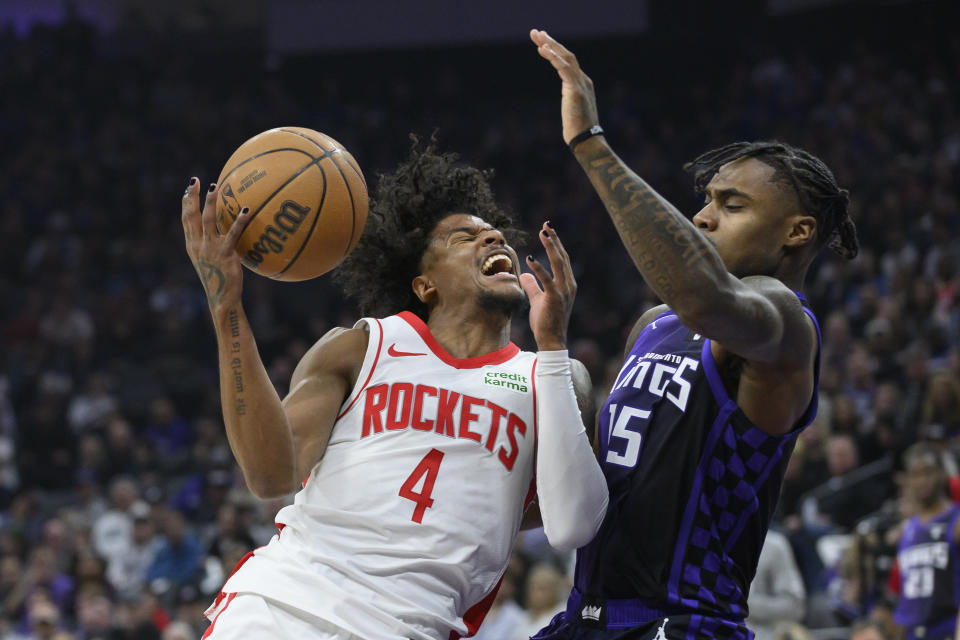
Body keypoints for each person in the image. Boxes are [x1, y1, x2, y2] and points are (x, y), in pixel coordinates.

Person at [181, 140, 608, 639]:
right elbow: (270, 475)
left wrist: (552, 345)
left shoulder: (552, 378)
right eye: (464, 237)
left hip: (414, 625)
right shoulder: (363, 346)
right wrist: (227, 306)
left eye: (495, 234)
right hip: (283, 607)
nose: (494, 238)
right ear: (425, 285)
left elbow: (562, 516)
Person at [528, 28, 859, 639]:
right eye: (705, 199)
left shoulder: (787, 328)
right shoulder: (653, 325)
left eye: (732, 205)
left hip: (682, 622)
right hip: (583, 618)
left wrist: (590, 145)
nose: (702, 215)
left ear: (797, 232)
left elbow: (706, 297)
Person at [891, 443, 960, 640]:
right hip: (914, 633)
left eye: (928, 472)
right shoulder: (908, 529)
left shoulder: (955, 521)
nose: (922, 481)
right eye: (915, 475)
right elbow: (907, 600)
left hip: (947, 629)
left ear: (942, 474)